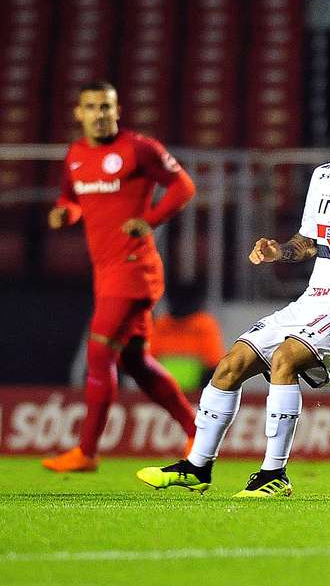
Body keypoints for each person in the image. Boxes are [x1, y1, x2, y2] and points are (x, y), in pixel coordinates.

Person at [136, 91, 330, 497]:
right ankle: (196, 466)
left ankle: (274, 475)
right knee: (231, 364)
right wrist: (280, 251)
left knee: (285, 357)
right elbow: (308, 242)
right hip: (313, 301)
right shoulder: (323, 177)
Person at [42, 81, 197, 472]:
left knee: (99, 353)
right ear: (79, 113)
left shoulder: (138, 148)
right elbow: (71, 199)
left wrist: (150, 220)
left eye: (106, 107)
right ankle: (197, 429)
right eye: (91, 107)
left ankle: (87, 451)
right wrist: (66, 214)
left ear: (118, 110)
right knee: (136, 362)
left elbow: (183, 186)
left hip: (134, 270)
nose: (99, 114)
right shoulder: (76, 154)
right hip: (106, 272)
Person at [150, 283, 226, 392]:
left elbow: (213, 364)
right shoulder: (162, 324)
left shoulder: (204, 325)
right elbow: (214, 362)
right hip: (172, 391)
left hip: (184, 391)